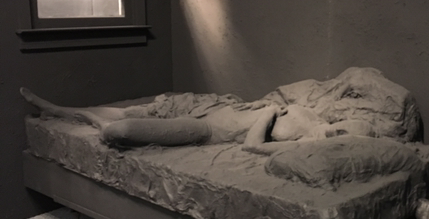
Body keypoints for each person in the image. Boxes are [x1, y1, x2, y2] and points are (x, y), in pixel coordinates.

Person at [20, 87, 377, 155]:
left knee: (119, 130)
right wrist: (265, 103)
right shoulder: (313, 114)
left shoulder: (303, 145)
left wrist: (268, 113)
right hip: (215, 106)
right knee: (132, 112)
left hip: (207, 130)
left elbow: (253, 146)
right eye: (344, 124)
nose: (337, 128)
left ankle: (82, 117)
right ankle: (64, 109)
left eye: (342, 134)